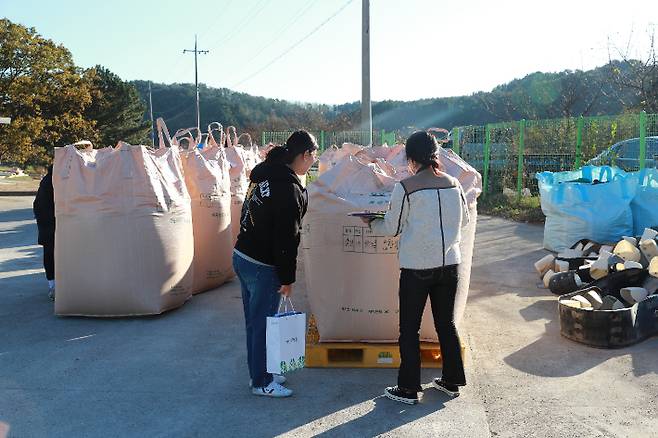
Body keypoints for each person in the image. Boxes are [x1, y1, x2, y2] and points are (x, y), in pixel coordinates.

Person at [365, 130, 470, 405]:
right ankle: (452, 380)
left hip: (417, 268)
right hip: (450, 264)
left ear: (411, 158)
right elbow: (466, 221)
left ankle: (409, 388)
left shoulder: (406, 187)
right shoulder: (454, 184)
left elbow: (392, 227)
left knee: (409, 329)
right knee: (446, 324)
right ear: (436, 154)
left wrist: (371, 222)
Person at [232, 130, 318, 398]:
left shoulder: (267, 174)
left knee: (254, 322)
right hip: (261, 263)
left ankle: (261, 371)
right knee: (262, 323)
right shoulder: (288, 189)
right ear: (304, 155)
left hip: (243, 255)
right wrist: (287, 278)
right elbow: (286, 240)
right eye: (313, 156)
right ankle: (261, 382)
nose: (314, 161)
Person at [33, 165, 56, 301]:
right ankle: (53, 285)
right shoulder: (51, 181)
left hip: (50, 223)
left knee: (51, 253)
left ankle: (54, 284)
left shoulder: (50, 180)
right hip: (49, 224)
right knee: (50, 253)